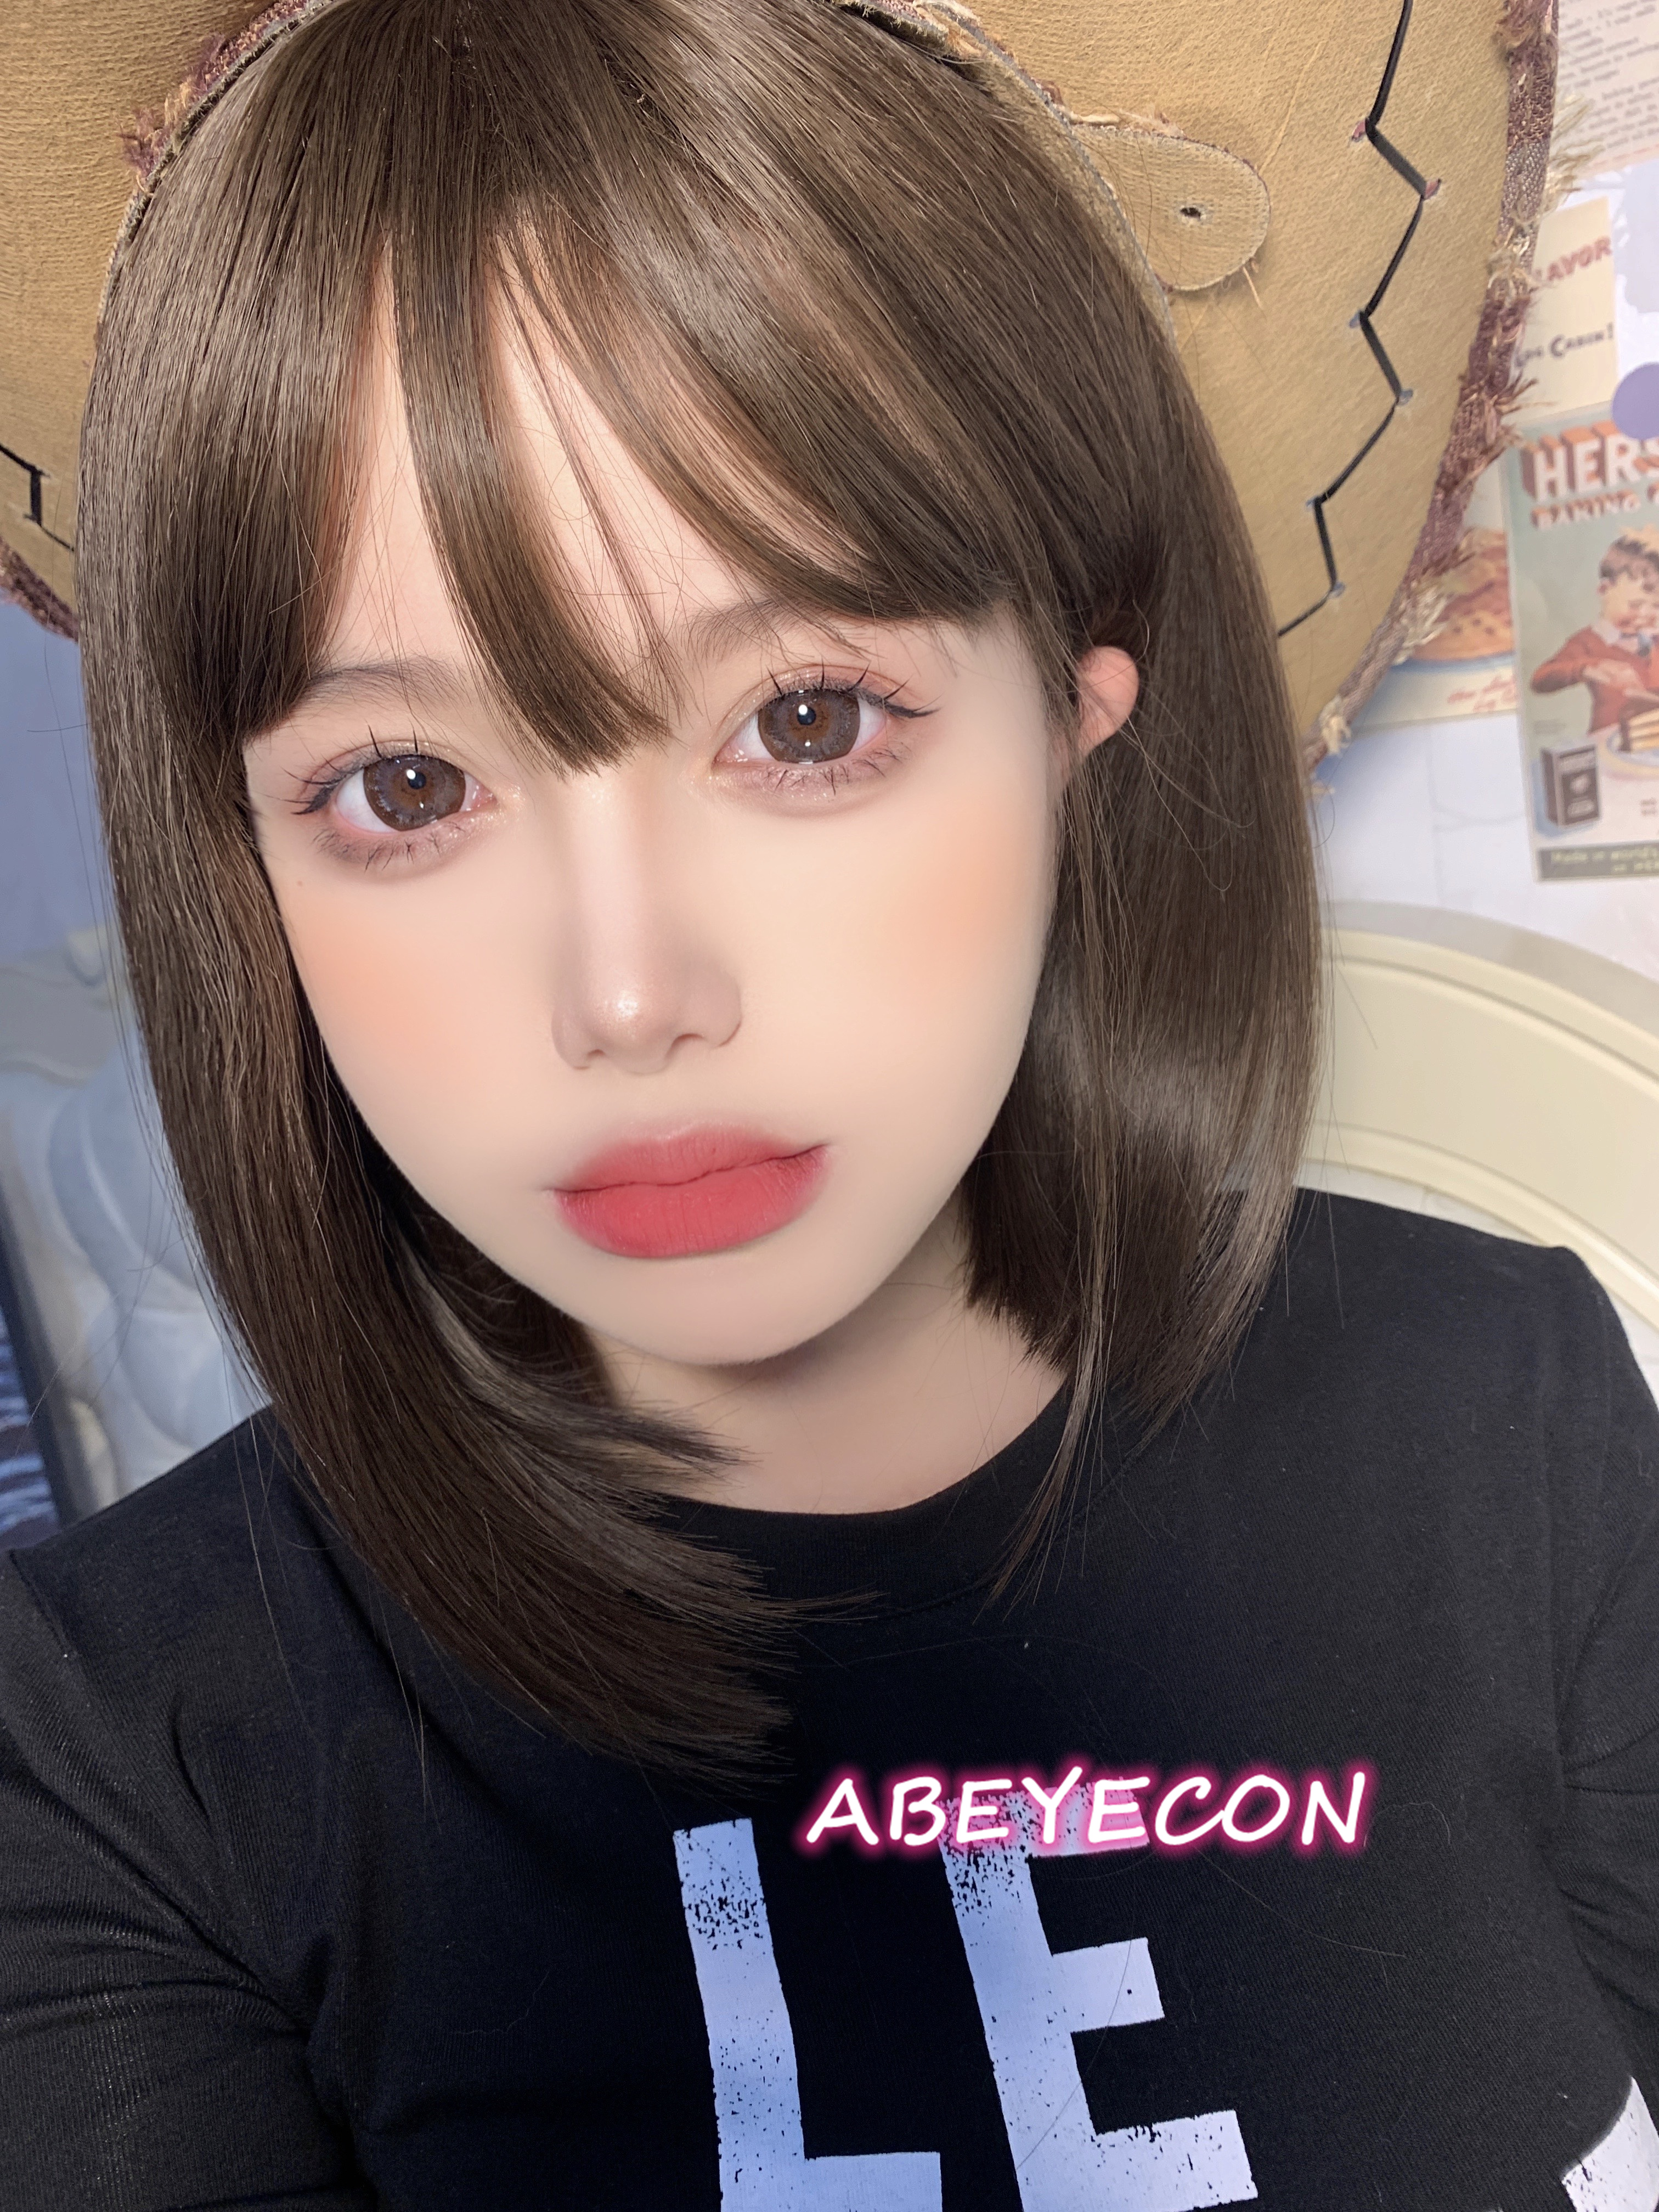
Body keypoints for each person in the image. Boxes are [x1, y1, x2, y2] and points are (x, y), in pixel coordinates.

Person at [0, 0, 1655, 2204]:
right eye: (402, 785)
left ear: (1070, 719)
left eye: (804, 719)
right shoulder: (122, 1747)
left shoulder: (1507, 1404)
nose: (627, 994)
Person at [1530, 528, 1659, 747]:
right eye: (1636, 605)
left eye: (1656, 606)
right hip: (1609, 747)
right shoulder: (1588, 642)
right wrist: (1588, 668)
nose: (1646, 615)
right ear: (1604, 590)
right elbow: (1540, 680)